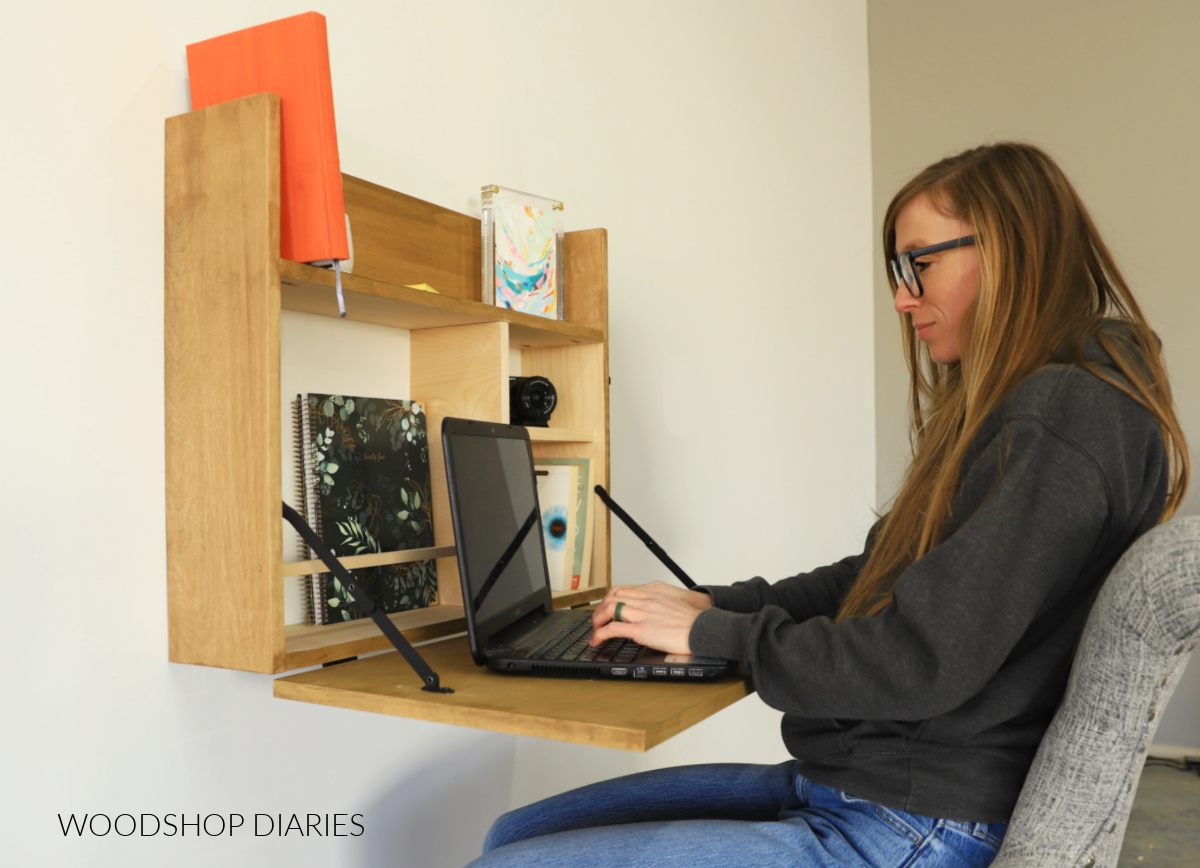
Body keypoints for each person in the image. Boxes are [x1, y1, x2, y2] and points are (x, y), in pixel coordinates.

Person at [466, 142, 1190, 868]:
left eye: (920, 264)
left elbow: (917, 659)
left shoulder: (1061, 416)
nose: (903, 297)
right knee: (509, 837)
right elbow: (873, 577)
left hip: (916, 821)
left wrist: (723, 636)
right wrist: (705, 607)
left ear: (1007, 250)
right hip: (859, 785)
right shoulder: (1033, 407)